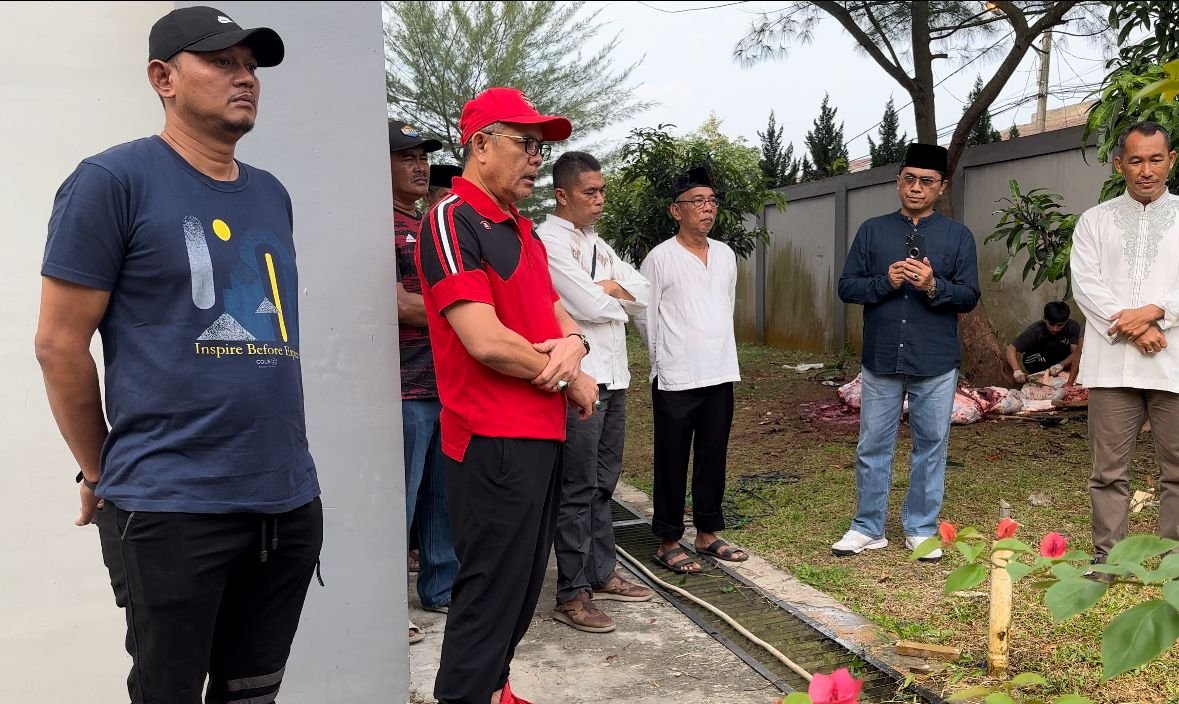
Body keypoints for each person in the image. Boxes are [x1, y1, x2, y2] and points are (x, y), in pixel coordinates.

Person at [35, 7, 322, 703]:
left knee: (252, 693)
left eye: (251, 66)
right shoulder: (112, 181)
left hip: (286, 502)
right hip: (172, 508)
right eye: (221, 62)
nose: (244, 78)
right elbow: (58, 344)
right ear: (163, 78)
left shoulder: (271, 194)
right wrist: (102, 472)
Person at [415, 87, 598, 704]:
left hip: (540, 431)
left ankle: (496, 689)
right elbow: (485, 340)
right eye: (525, 144)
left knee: (522, 587)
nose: (536, 159)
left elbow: (555, 311)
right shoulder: (451, 219)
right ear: (480, 144)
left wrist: (575, 347)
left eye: (541, 149)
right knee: (489, 590)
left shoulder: (522, 230)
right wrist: (567, 372)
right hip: (491, 436)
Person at [832, 143, 981, 562]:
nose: (916, 188)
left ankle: (920, 528)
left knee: (931, 446)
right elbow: (847, 287)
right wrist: (887, 281)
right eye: (909, 179)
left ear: (942, 187)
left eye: (927, 181)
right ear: (898, 181)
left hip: (935, 360)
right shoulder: (872, 231)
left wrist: (933, 285)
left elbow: (969, 296)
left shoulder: (958, 236)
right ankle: (867, 527)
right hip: (881, 357)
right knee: (872, 445)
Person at [538, 151, 654, 634]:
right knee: (577, 486)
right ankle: (572, 591)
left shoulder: (597, 242)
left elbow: (645, 290)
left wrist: (608, 289)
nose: (600, 199)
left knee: (605, 483)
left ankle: (602, 572)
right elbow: (583, 303)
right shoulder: (549, 241)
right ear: (562, 194)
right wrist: (611, 293)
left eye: (602, 190)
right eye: (591, 191)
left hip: (616, 375)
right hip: (582, 378)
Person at [1071, 120, 1179, 574]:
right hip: (1112, 364)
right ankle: (1108, 559)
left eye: (1156, 159)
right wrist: (1136, 328)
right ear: (1119, 164)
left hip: (1173, 363)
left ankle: (1173, 562)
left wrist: (1157, 311)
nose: (1146, 170)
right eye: (1136, 160)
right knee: (1108, 472)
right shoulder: (1095, 220)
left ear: (1172, 161)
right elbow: (1085, 284)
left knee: (1177, 471)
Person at [640, 166, 748, 575]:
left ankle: (707, 532)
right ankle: (668, 540)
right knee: (671, 458)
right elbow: (644, 316)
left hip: (719, 370)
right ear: (676, 210)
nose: (707, 209)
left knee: (712, 455)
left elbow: (726, 305)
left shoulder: (725, 255)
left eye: (711, 201)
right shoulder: (660, 258)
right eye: (697, 202)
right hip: (676, 375)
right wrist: (662, 358)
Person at [389, 119, 460, 644]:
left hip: (445, 384)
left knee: (442, 495)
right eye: (407, 157)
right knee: (404, 501)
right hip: (404, 389)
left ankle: (442, 587)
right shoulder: (378, 226)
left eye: (423, 157)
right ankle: (390, 606)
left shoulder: (428, 226)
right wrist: (460, 314)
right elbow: (398, 304)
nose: (420, 166)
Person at [1007, 301, 1082, 384]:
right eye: (1051, 324)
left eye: (1060, 325)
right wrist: (1016, 370)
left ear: (1066, 321)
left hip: (1059, 363)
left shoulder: (1072, 327)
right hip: (1037, 361)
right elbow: (1011, 349)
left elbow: (1076, 353)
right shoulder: (1035, 331)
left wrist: (1061, 365)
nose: (1055, 329)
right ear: (1044, 319)